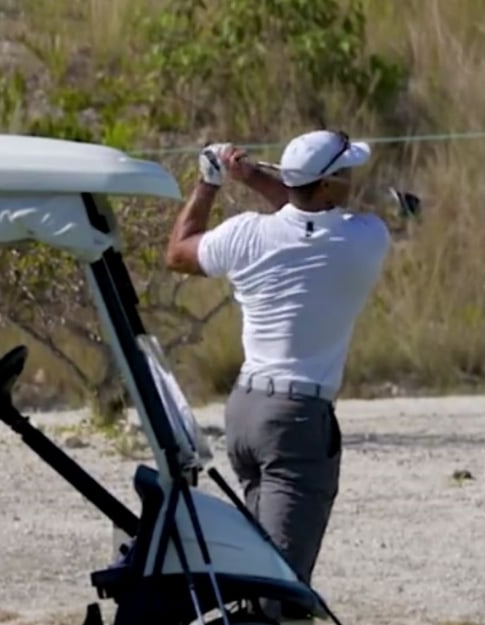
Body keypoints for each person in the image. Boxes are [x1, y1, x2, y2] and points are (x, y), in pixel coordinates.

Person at [162, 130, 391, 598]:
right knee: (280, 584)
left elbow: (179, 251)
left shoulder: (246, 232)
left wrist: (212, 182)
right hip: (297, 421)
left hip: (245, 413)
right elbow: (302, 213)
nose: (352, 182)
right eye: (344, 174)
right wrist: (254, 177)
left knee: (256, 562)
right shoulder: (365, 238)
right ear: (327, 186)